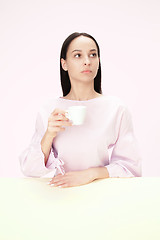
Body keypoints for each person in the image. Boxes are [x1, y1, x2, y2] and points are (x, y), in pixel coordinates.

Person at [19, 32, 142, 188]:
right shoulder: (49, 110)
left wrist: (89, 174)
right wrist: (49, 134)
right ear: (64, 64)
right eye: (78, 55)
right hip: (60, 196)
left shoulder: (116, 108)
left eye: (93, 55)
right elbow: (30, 170)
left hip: (103, 195)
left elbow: (131, 167)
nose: (87, 61)